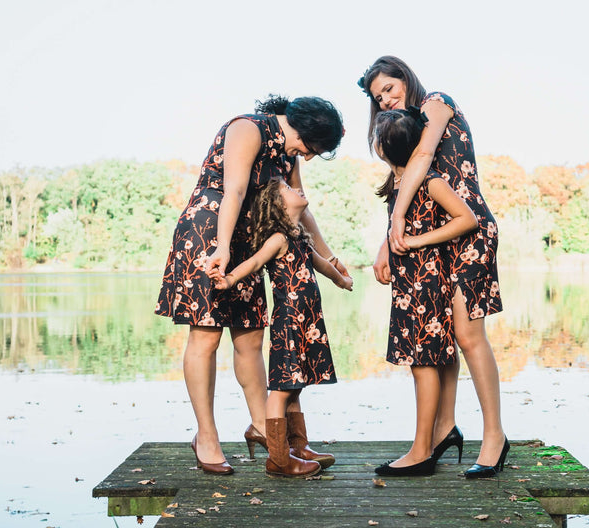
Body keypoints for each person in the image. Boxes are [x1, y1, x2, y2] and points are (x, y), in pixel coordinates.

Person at [155, 95, 350, 475]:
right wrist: (222, 248)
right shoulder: (248, 128)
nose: (308, 157)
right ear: (302, 129)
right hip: (208, 233)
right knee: (206, 336)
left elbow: (301, 209)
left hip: (247, 241)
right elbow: (236, 192)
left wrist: (331, 257)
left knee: (251, 338)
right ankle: (206, 436)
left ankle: (263, 426)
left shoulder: (287, 153)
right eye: (312, 148)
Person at [360, 56, 509, 478]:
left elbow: (425, 155)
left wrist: (397, 224)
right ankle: (443, 428)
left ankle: (495, 437)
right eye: (378, 97)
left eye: (390, 88)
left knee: (466, 333)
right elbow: (402, 185)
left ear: (405, 78)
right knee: (438, 335)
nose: (387, 99)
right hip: (435, 237)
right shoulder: (402, 130)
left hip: (469, 232)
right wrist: (389, 241)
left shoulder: (436, 103)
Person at [210, 177, 352, 478]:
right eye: (288, 189)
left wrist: (341, 279)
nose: (297, 188)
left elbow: (321, 265)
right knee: (281, 389)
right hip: (289, 322)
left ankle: (298, 447)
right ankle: (278, 458)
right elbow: (254, 262)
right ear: (277, 205)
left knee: (296, 385)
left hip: (307, 321)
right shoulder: (277, 239)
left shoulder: (299, 236)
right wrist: (231, 279)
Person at [370, 108, 478, 477]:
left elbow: (467, 219)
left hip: (427, 283)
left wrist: (416, 240)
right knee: (421, 362)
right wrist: (386, 248)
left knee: (423, 364)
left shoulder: (430, 180)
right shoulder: (399, 184)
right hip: (408, 283)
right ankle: (434, 439)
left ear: (383, 147)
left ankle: (421, 451)